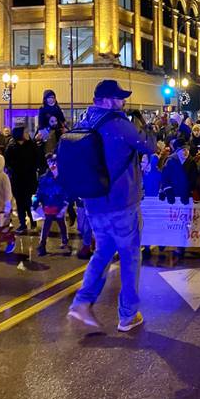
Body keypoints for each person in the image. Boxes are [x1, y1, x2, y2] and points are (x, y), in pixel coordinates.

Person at [67, 80, 156, 332]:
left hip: (94, 203)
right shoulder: (118, 123)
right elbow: (147, 145)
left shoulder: (84, 121)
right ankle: (128, 315)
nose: (123, 101)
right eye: (118, 98)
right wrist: (147, 128)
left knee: (103, 251)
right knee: (130, 257)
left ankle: (82, 303)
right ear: (106, 100)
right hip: (121, 202)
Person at [4, 127, 42, 234]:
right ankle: (22, 224)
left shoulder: (31, 145)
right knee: (20, 202)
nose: (27, 134)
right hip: (17, 179)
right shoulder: (11, 146)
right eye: (25, 132)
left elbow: (37, 158)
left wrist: (34, 168)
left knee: (30, 201)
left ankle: (34, 223)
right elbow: (8, 162)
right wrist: (13, 170)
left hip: (30, 178)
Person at [34, 154, 71, 256]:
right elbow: (40, 191)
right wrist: (36, 202)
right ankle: (42, 244)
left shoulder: (63, 177)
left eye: (54, 162)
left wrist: (64, 204)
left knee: (60, 222)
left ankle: (64, 239)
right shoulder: (45, 177)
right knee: (47, 223)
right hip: (49, 205)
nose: (52, 165)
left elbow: (66, 192)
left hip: (59, 204)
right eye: (50, 162)